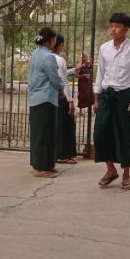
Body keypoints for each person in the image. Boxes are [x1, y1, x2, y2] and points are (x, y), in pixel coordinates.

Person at [93, 13, 130, 190]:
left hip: (125, 96)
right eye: (112, 25)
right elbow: (100, 73)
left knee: (125, 134)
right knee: (100, 133)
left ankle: (126, 174)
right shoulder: (104, 48)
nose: (113, 29)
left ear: (126, 29)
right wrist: (96, 97)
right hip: (106, 95)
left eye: (118, 26)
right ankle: (110, 170)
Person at [28, 27, 64, 178]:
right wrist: (61, 87)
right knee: (46, 134)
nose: (55, 42)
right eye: (54, 39)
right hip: (46, 98)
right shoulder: (48, 57)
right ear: (50, 40)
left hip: (35, 98)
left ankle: (43, 165)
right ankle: (42, 167)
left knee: (39, 133)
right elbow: (54, 78)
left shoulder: (34, 54)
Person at [53, 34, 78, 164]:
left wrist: (73, 70)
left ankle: (55, 154)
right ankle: (64, 155)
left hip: (50, 96)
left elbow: (59, 74)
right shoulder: (60, 60)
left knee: (55, 125)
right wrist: (70, 101)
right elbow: (63, 81)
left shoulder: (44, 58)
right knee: (65, 126)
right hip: (61, 96)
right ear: (61, 44)